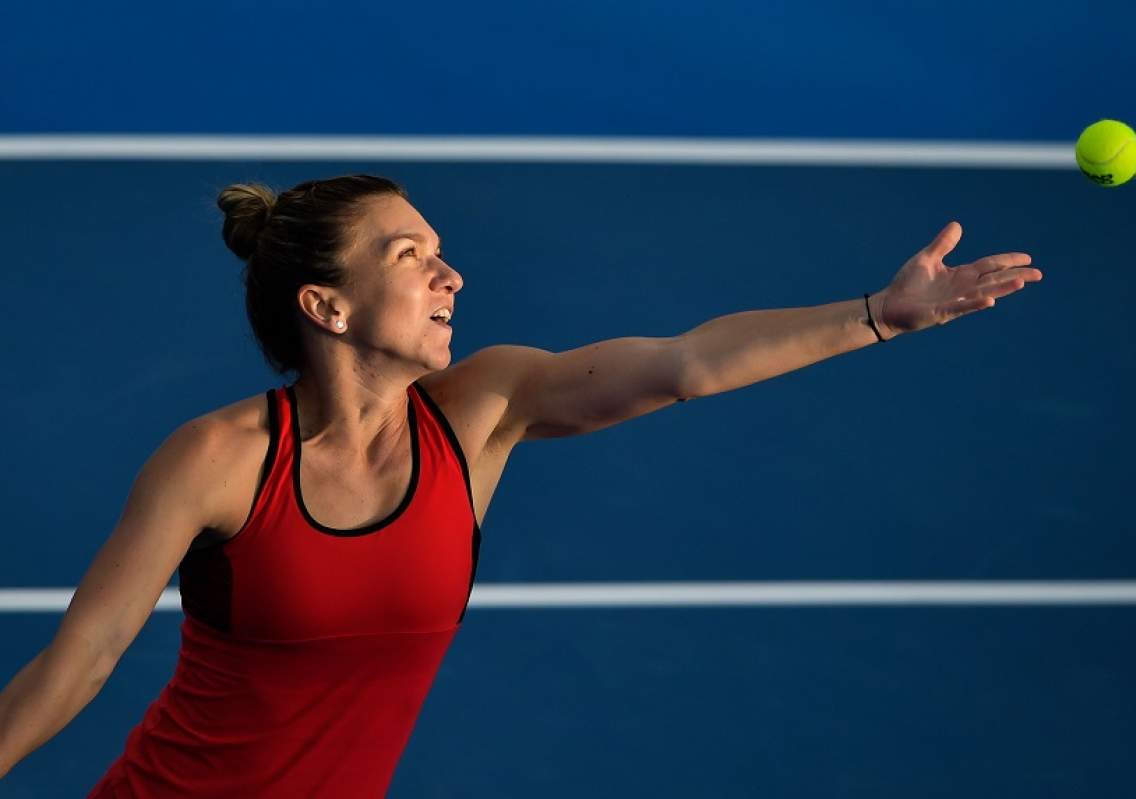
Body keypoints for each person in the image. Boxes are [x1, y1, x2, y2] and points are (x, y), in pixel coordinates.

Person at [0, 174, 1041, 796]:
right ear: (329, 305)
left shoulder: (483, 410)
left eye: (442, 252)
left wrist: (875, 315)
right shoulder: (219, 460)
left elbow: (686, 365)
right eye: (410, 256)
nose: (449, 275)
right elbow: (80, 663)